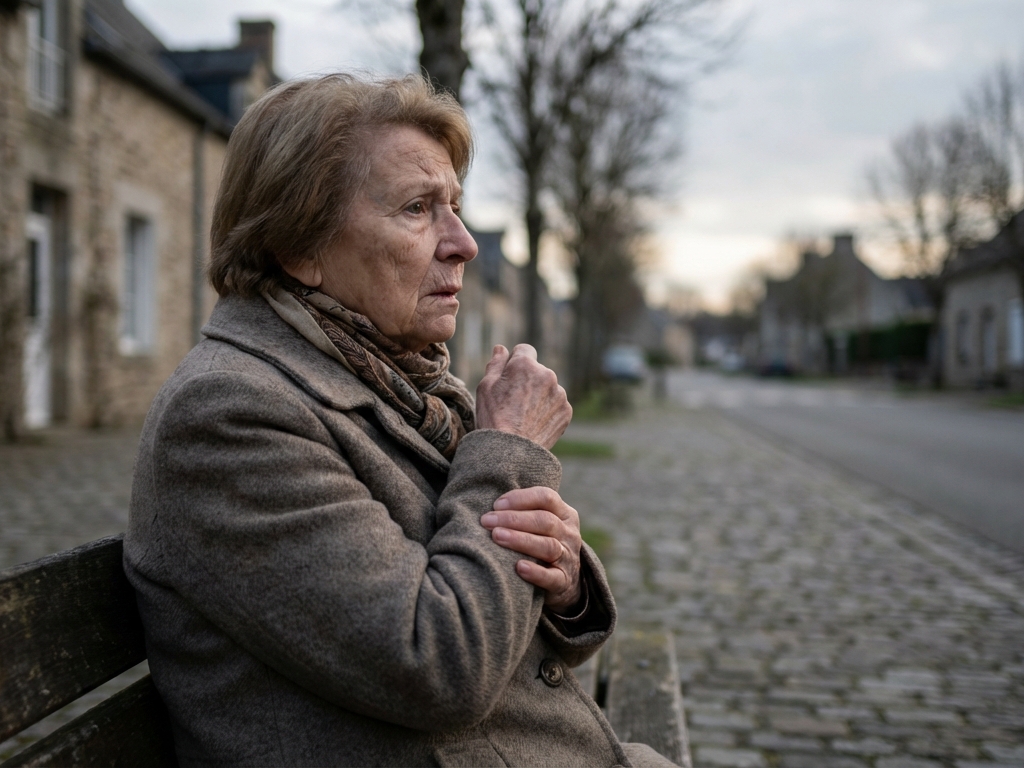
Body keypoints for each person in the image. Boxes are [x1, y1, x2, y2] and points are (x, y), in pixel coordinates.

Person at [123, 73, 673, 768]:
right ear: (301, 248)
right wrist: (505, 455)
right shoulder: (229, 416)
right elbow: (440, 664)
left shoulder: (394, 381)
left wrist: (560, 575)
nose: (465, 243)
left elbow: (503, 598)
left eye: (456, 206)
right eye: (418, 209)